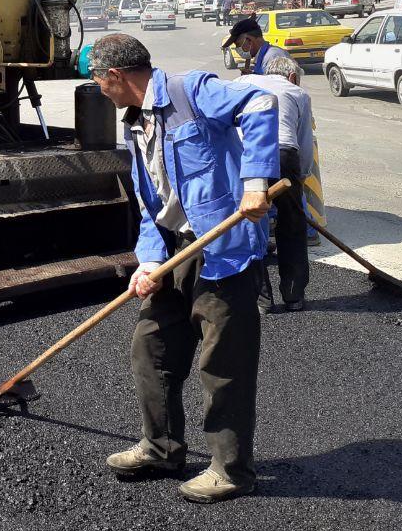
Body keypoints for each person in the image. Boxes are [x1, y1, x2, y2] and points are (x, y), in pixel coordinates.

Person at [89, 33, 279, 504]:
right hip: (175, 250)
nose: (99, 90)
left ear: (114, 75)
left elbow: (261, 102)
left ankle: (231, 470)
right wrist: (150, 261)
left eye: (98, 80)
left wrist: (255, 181)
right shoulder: (135, 125)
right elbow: (151, 204)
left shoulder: (189, 91)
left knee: (223, 365)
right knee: (150, 346)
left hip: (223, 250)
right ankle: (161, 448)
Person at [237, 55, 313, 313]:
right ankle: (294, 296)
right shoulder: (297, 92)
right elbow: (304, 141)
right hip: (284, 154)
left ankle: (262, 300)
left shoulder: (246, 81)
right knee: (292, 224)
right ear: (292, 76)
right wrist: (300, 177)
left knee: (252, 221)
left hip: (248, 154)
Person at [223, 17, 289, 75]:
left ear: (249, 41)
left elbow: (278, 84)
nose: (237, 49)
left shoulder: (273, 57)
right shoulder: (262, 56)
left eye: (238, 44)